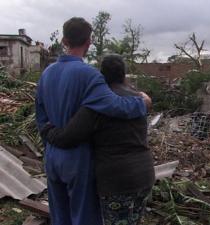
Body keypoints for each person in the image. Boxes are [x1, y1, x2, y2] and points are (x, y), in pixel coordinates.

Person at [35, 17, 150, 225]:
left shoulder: (47, 73)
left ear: (64, 40)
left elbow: (41, 116)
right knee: (84, 217)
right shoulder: (89, 75)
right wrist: (143, 103)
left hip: (52, 155)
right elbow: (115, 105)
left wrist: (48, 139)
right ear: (89, 41)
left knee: (59, 216)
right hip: (77, 158)